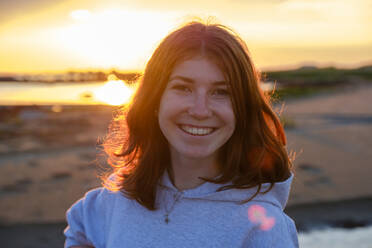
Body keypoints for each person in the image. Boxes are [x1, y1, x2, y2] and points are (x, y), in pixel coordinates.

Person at [64, 20, 299, 248]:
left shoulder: (262, 226)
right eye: (183, 88)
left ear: (242, 109)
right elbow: (80, 228)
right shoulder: (120, 194)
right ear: (155, 98)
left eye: (220, 92)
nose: (200, 110)